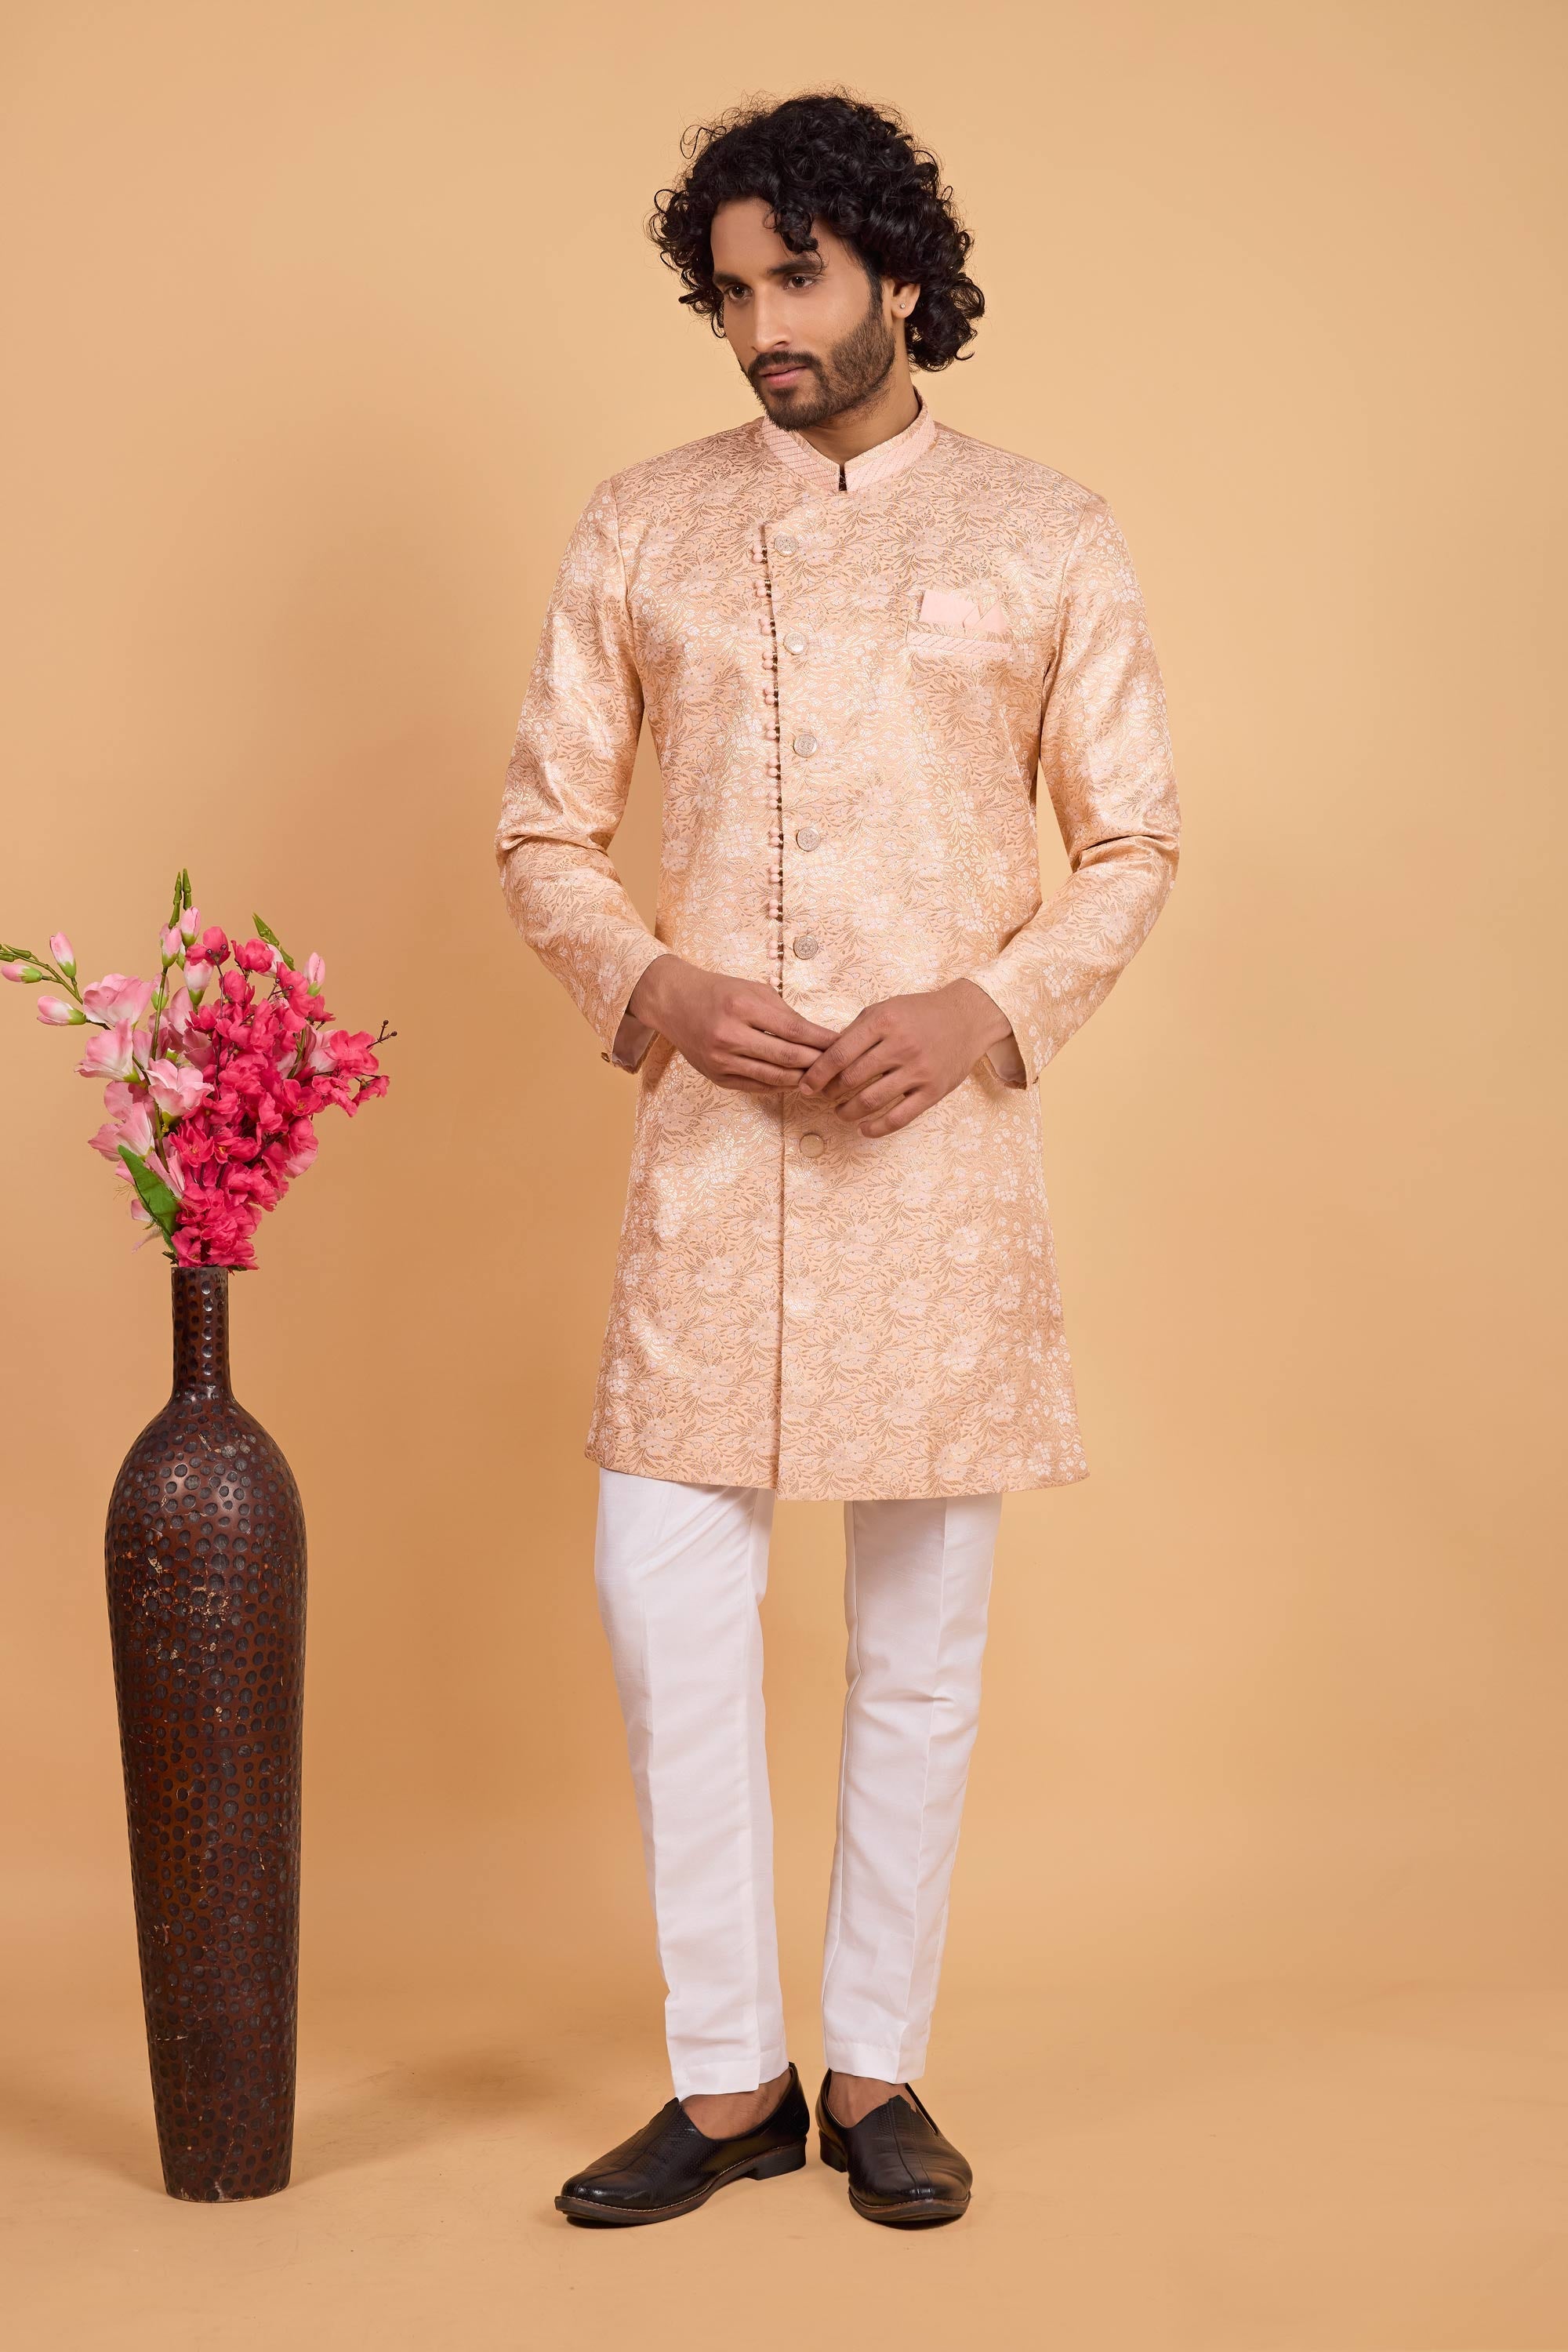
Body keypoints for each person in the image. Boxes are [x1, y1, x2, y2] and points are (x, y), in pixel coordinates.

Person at [494, 89, 1180, 2230]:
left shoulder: (1049, 535)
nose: (761, 329)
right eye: (730, 294)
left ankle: (876, 2069)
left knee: (919, 1641)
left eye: (795, 279)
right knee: (665, 1611)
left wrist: (988, 1009)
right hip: (712, 1156)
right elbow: (542, 831)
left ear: (896, 271)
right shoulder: (642, 525)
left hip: (935, 1170)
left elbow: (1133, 843)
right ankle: (725, 2085)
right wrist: (655, 985)